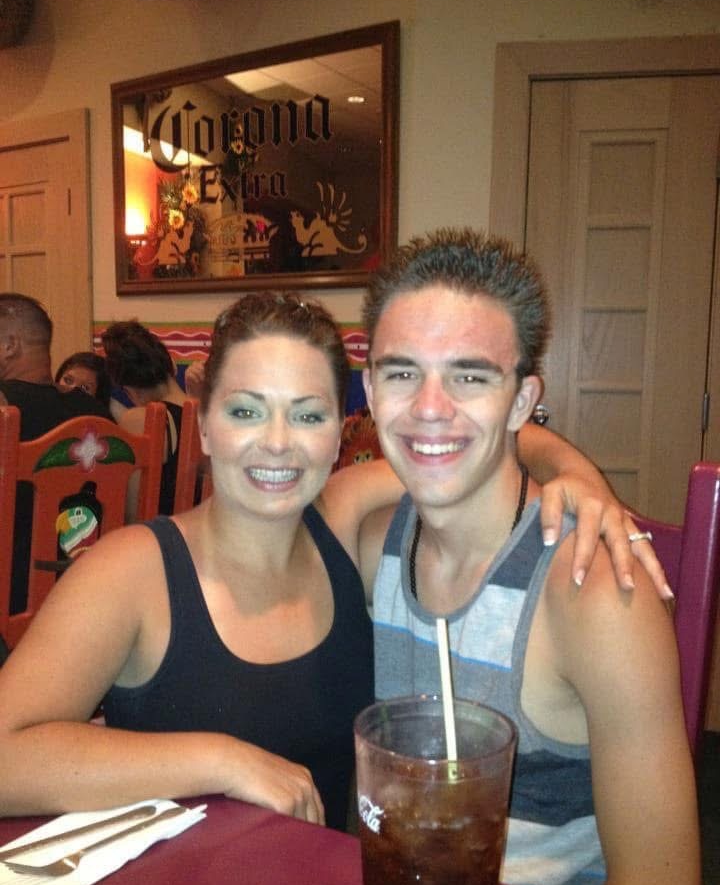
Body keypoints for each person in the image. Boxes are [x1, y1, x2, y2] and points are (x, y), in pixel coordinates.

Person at [0, 294, 669, 830]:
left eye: (308, 416)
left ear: (341, 433)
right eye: (245, 411)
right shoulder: (133, 570)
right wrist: (221, 760)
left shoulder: (341, 522)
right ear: (202, 425)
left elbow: (478, 444)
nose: (278, 444)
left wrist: (579, 479)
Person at [357, 228, 699, 885]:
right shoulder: (371, 543)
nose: (429, 406)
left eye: (471, 377)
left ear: (521, 401)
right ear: (369, 390)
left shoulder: (593, 596)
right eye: (401, 373)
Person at [0, 294, 114, 615]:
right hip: (83, 595)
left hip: (12, 602)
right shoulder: (97, 415)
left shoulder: (4, 406)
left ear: (10, 346)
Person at [101, 320, 189, 515]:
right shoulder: (206, 414)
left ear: (130, 391)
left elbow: (134, 512)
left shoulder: (141, 420)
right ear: (171, 366)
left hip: (161, 532)